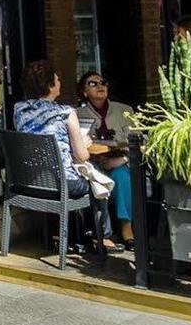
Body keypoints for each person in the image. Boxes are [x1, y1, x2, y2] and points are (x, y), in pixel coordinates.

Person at [10, 60, 110, 252]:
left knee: (82, 177)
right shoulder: (65, 112)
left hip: (28, 181)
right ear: (49, 85)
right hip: (61, 183)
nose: (59, 82)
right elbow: (81, 156)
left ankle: (74, 237)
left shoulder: (18, 110)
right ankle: (102, 237)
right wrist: (85, 143)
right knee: (97, 178)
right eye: (57, 79)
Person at [72, 70, 137, 245]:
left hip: (122, 162)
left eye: (103, 82)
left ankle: (126, 226)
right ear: (84, 92)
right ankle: (101, 233)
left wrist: (123, 159)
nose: (100, 86)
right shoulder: (77, 115)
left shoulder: (125, 110)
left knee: (122, 176)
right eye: (93, 83)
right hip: (93, 165)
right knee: (96, 179)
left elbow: (140, 144)